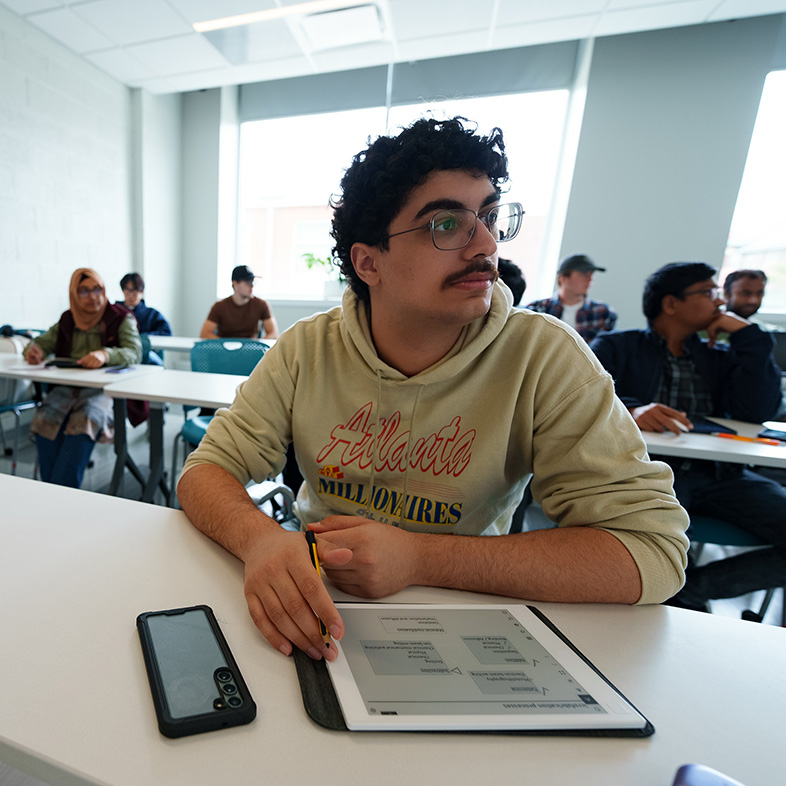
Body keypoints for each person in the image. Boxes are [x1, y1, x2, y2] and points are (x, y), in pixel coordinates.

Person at [177, 117, 688, 664]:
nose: (486, 244)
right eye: (447, 223)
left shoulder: (545, 358)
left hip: (470, 616)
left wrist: (421, 558)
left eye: (489, 216)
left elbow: (651, 550)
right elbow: (206, 471)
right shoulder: (307, 350)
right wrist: (261, 541)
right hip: (317, 608)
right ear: (368, 261)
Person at [591, 262, 785, 611]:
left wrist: (749, 338)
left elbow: (757, 413)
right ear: (671, 304)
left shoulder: (719, 356)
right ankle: (679, 594)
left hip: (721, 473)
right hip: (649, 473)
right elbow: (584, 394)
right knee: (661, 548)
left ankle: (694, 588)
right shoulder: (617, 346)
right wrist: (633, 409)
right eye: (708, 293)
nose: (719, 302)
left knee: (676, 576)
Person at [23, 268, 142, 488]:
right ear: (74, 295)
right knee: (43, 420)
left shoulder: (121, 317)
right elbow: (41, 343)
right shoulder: (68, 319)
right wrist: (33, 351)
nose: (93, 297)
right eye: (84, 292)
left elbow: (134, 352)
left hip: (104, 392)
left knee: (84, 421)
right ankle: (52, 491)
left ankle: (60, 495)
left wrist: (106, 354)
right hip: (66, 390)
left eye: (97, 289)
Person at [526, 254, 617, 342]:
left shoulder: (604, 313)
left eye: (591, 274)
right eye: (584, 274)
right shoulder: (537, 309)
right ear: (563, 278)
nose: (590, 279)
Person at [200, 266, 279, 340]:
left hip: (251, 352)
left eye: (252, 282)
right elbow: (205, 334)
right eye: (248, 282)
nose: (251, 286)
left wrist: (257, 346)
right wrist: (224, 346)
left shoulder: (261, 305)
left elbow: (273, 333)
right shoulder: (219, 306)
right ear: (235, 284)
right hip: (226, 353)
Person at [117, 272, 172, 365]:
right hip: (121, 355)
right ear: (123, 290)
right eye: (128, 290)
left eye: (135, 291)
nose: (131, 295)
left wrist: (142, 337)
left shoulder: (152, 314)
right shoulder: (116, 311)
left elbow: (166, 333)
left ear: (141, 292)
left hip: (145, 356)